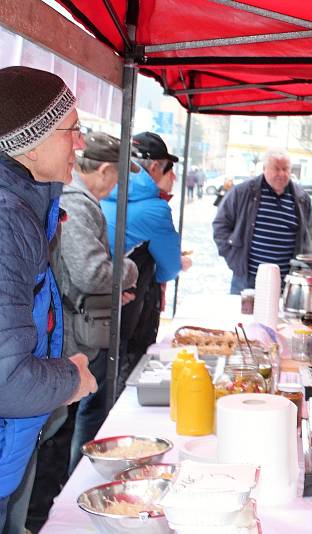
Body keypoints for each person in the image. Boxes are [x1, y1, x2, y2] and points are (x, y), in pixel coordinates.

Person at [0, 66, 97, 530]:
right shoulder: (5, 221)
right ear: (31, 144)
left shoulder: (28, 204)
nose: (80, 142)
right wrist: (72, 379)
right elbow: (6, 379)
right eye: (71, 130)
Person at [56, 132, 139, 472]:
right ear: (105, 170)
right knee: (57, 432)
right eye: (118, 175)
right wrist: (129, 270)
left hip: (74, 331)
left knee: (64, 427)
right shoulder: (75, 202)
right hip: (69, 340)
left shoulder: (75, 199)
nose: (118, 185)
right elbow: (90, 272)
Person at [101, 132, 191, 383]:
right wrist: (180, 262)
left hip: (92, 307)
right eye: (170, 170)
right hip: (127, 312)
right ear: (153, 168)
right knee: (118, 384)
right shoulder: (155, 208)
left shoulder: (106, 191)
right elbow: (168, 269)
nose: (173, 177)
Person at [213, 151, 312, 292]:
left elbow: (308, 235)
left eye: (285, 169)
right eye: (276, 168)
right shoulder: (242, 192)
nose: (281, 174)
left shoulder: (301, 199)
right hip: (246, 282)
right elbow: (221, 225)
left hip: (286, 285)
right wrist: (233, 257)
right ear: (264, 169)